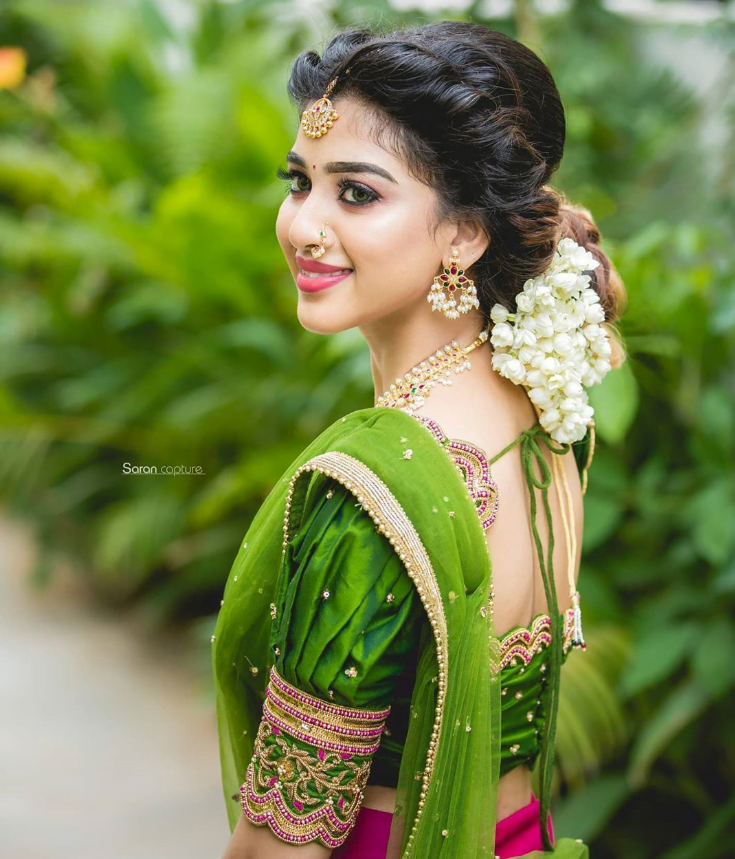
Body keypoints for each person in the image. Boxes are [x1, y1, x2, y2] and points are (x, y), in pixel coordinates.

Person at [212, 20, 626, 859]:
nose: (304, 226)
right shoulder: (542, 409)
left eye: (356, 192)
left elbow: (280, 842)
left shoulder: (379, 486)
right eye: (300, 182)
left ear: (465, 232)